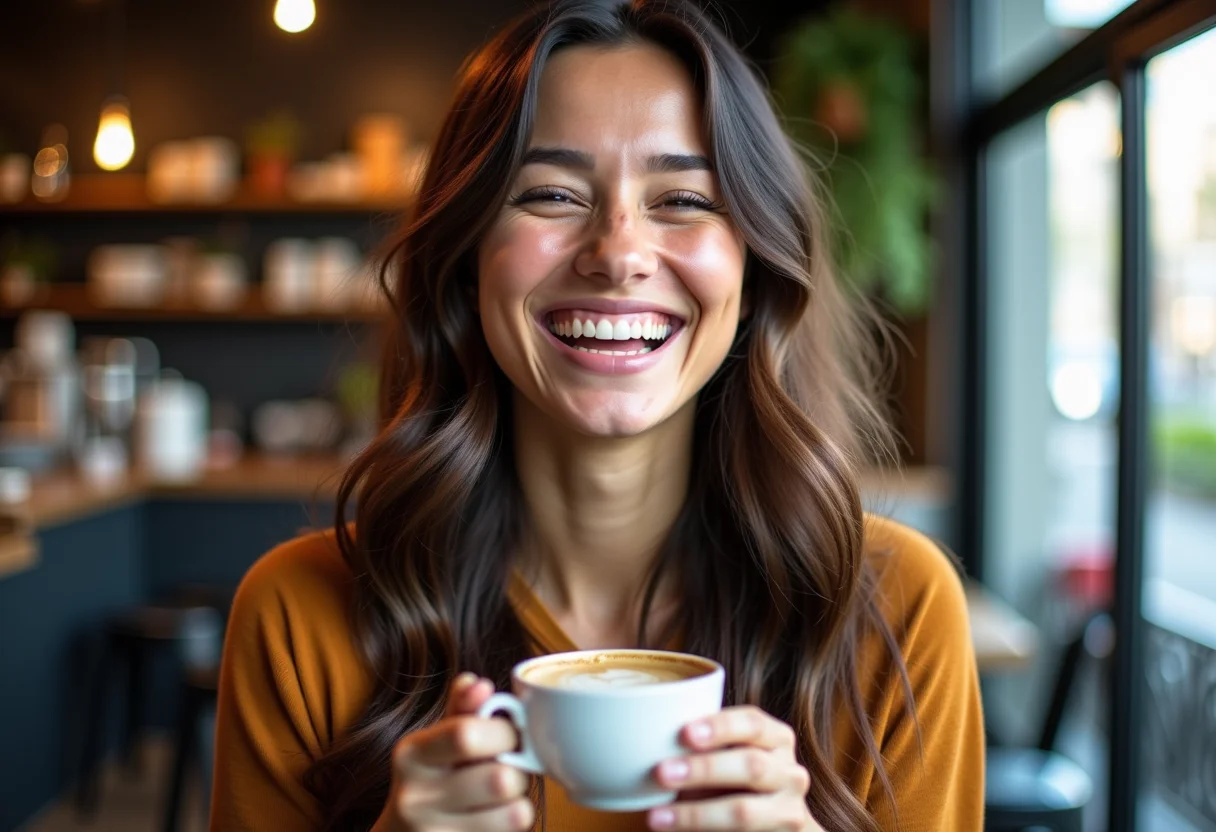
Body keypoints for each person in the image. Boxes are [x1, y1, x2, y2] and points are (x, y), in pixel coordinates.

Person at [210, 1, 984, 830]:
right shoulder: (301, 615)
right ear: (465, 264)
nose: (618, 252)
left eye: (682, 198)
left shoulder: (892, 614)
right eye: (550, 193)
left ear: (755, 269)